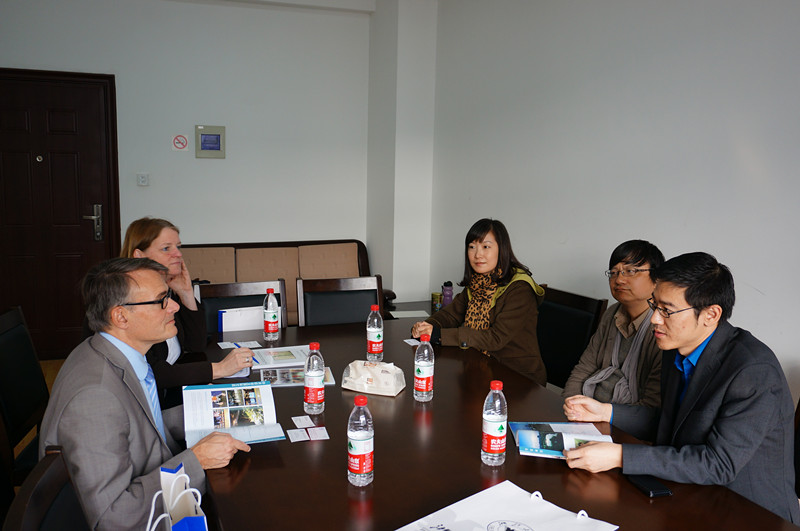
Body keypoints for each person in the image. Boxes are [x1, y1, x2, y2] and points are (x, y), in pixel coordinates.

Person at [563, 252, 799, 523]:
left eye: (667, 310)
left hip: (749, 513)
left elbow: (718, 464)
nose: (655, 319)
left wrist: (621, 455)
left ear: (711, 314)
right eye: (654, 305)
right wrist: (607, 412)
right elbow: (671, 422)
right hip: (690, 493)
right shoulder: (675, 347)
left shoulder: (753, 371)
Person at [40, 258, 251, 529]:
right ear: (121, 317)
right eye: (162, 300)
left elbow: (137, 424)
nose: (174, 306)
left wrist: (203, 412)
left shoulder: (110, 352)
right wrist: (196, 461)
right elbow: (114, 517)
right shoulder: (94, 398)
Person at [120, 217, 251, 405]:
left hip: (171, 393)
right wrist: (219, 369)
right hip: (146, 406)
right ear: (139, 256)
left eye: (178, 247)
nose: (178, 254)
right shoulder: (128, 301)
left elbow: (195, 345)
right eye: (166, 248)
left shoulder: (167, 290)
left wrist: (186, 293)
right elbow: (150, 372)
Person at [411, 218, 546, 385]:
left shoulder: (520, 288)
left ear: (502, 249)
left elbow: (495, 338)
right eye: (472, 247)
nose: (477, 255)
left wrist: (439, 336)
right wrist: (426, 326)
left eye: (486, 247)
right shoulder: (477, 283)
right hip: (480, 366)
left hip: (518, 377)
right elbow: (450, 315)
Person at [562, 240, 664, 406]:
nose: (619, 280)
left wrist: (600, 415)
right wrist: (569, 403)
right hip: (588, 408)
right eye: (614, 272)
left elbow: (653, 404)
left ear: (656, 279)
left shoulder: (663, 325)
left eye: (630, 271)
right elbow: (584, 368)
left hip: (624, 417)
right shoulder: (612, 313)